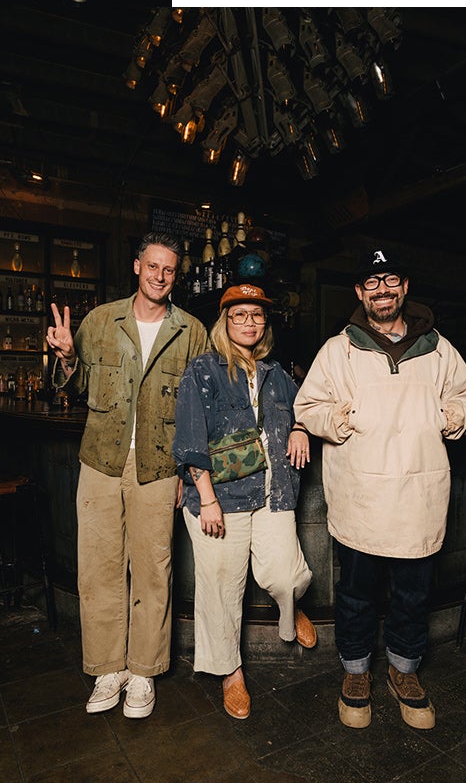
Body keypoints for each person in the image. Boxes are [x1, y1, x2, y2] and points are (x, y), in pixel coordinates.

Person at [295, 248, 466, 730]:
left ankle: (404, 671)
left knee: (413, 594)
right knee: (356, 594)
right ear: (359, 292)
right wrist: (343, 418)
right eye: (372, 283)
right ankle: (356, 674)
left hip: (419, 493)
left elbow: (465, 396)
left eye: (390, 280)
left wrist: (449, 416)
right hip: (362, 495)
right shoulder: (340, 349)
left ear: (405, 286)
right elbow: (308, 405)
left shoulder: (438, 347)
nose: (382, 290)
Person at [46, 232, 203, 718]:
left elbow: (198, 410)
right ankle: (107, 667)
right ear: (137, 266)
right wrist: (67, 357)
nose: (160, 276)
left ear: (176, 276)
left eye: (169, 270)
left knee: (153, 569)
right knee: (99, 567)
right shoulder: (100, 321)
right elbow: (68, 389)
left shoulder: (191, 331)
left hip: (157, 466)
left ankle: (143, 672)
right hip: (100, 461)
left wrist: (187, 473)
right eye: (152, 266)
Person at [172, 284, 317, 719]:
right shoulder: (203, 370)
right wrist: (207, 500)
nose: (249, 322)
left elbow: (306, 406)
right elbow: (190, 439)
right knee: (221, 591)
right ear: (225, 321)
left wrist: (301, 428)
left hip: (273, 492)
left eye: (257, 315)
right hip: (220, 499)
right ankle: (231, 672)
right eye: (240, 315)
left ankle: (291, 607)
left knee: (286, 575)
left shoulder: (276, 374)